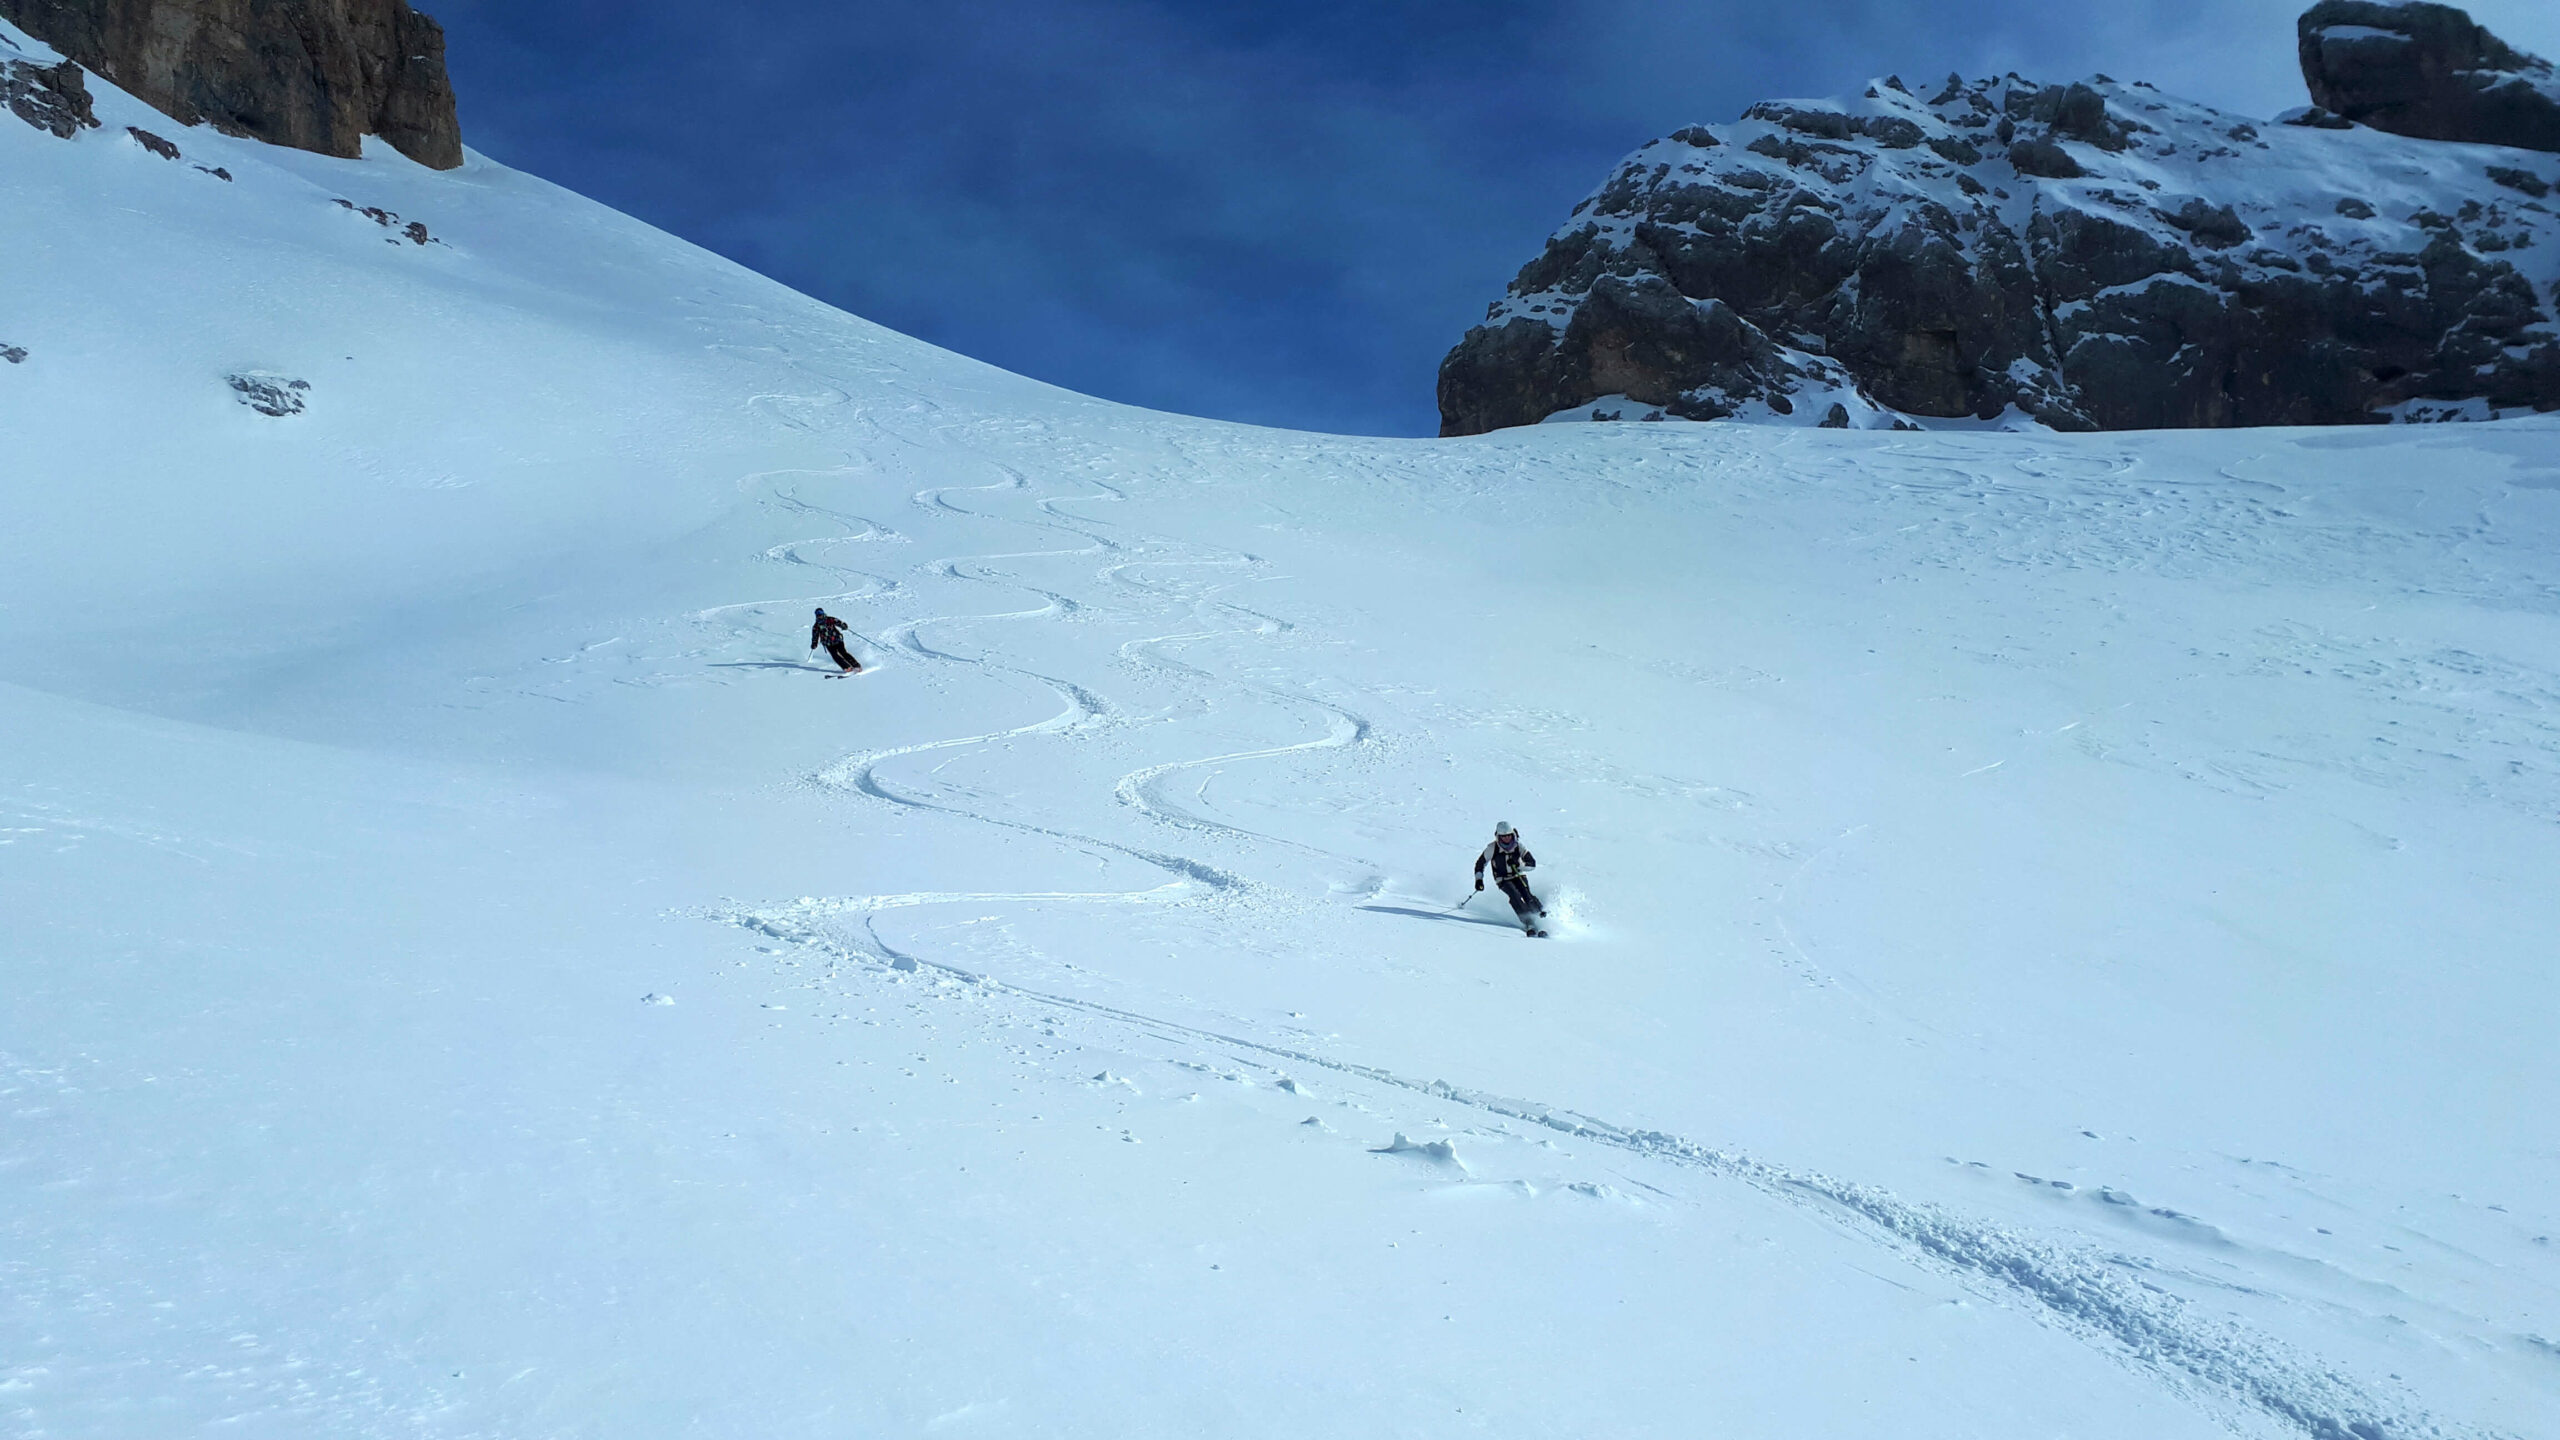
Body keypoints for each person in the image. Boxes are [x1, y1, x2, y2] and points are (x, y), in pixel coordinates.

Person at [1473, 821, 1547, 936]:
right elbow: (1480, 863)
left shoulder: (1519, 846)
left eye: (1509, 836)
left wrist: (1519, 865)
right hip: (1502, 879)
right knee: (1514, 895)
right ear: (1498, 837)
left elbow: (1532, 864)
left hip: (1518, 874)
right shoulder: (1492, 848)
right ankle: (1528, 922)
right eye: (1504, 837)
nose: (1507, 839)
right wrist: (1479, 879)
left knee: (1526, 894)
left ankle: (1541, 915)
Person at [810, 607, 861, 673]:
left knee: (843, 653)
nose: (819, 616)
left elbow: (838, 622)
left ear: (823, 614)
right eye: (818, 615)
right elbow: (815, 636)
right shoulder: (816, 626)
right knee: (835, 656)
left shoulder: (830, 619)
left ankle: (856, 666)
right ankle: (846, 667)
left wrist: (843, 625)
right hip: (828, 643)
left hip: (837, 640)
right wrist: (814, 643)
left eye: (820, 614)